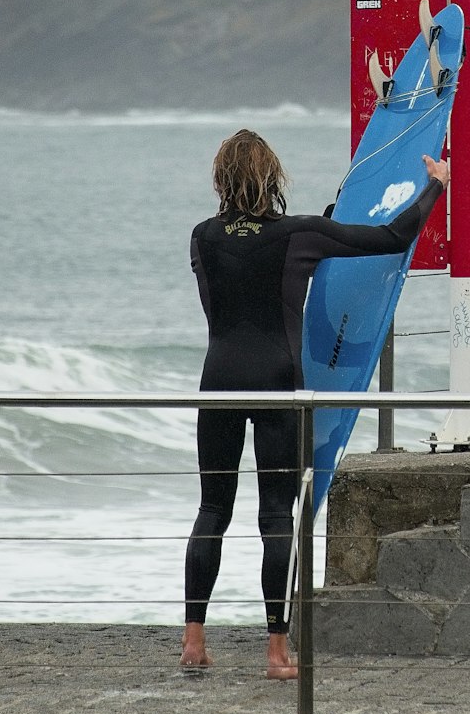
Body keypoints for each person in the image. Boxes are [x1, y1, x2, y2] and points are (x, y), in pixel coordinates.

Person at [182, 129, 448, 679]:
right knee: (276, 515)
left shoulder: (202, 237)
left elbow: (231, 293)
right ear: (272, 177)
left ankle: (193, 643)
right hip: (280, 381)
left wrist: (318, 228)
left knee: (213, 510)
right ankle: (277, 653)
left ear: (220, 179)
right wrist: (434, 187)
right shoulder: (300, 233)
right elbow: (392, 237)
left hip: (219, 380)